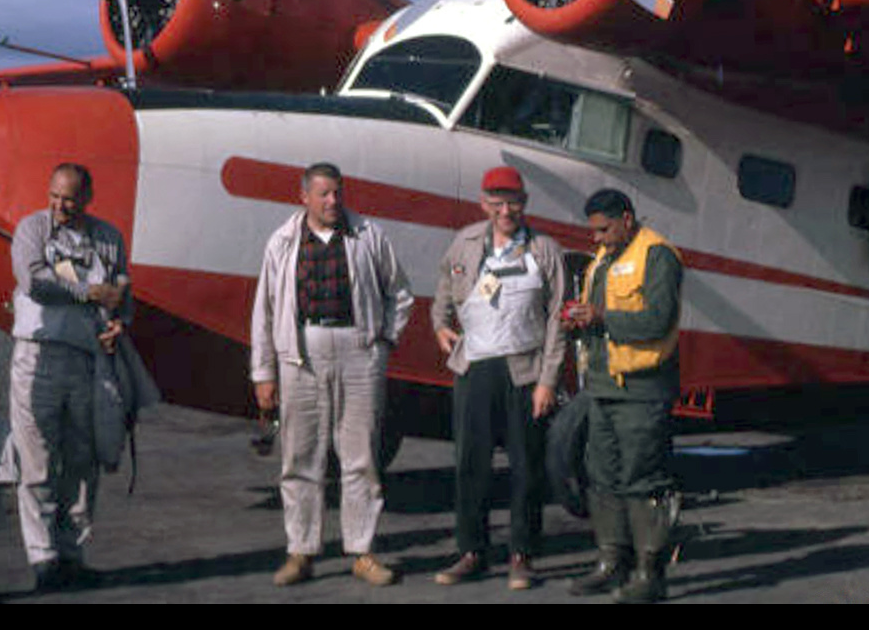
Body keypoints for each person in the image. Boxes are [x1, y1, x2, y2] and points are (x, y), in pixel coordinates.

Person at [250, 162, 414, 588]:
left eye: (338, 193)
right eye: (323, 194)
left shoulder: (368, 236)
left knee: (361, 458)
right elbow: (264, 312)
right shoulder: (282, 243)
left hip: (358, 351)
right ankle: (300, 552)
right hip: (300, 352)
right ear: (303, 196)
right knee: (300, 458)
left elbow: (400, 293)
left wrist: (383, 343)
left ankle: (361, 551)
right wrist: (263, 372)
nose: (333, 202)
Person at [431, 166, 567, 590]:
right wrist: (439, 324)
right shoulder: (465, 242)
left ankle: (522, 555)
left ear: (524, 203)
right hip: (474, 369)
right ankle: (471, 551)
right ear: (483, 203)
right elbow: (441, 289)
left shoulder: (544, 250)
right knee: (471, 464)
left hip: (524, 372)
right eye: (497, 202)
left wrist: (548, 381)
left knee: (526, 467)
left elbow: (558, 321)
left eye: (514, 202)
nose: (506, 210)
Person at [10, 163, 130, 591]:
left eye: (70, 199)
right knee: (38, 459)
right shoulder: (32, 230)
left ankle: (73, 555)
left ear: (87, 198)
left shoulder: (108, 238)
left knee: (83, 460)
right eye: (55, 196)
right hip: (37, 357)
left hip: (87, 359)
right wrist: (89, 292)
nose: (60, 205)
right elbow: (35, 282)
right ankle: (44, 560)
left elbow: (120, 293)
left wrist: (119, 322)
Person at [567, 188, 683, 604]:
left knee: (643, 480)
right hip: (602, 387)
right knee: (602, 476)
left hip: (642, 389)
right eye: (593, 230)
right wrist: (580, 321)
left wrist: (600, 316)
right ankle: (610, 561)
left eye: (603, 229)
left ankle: (649, 574)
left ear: (627, 219)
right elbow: (604, 317)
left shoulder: (658, 256)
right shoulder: (605, 258)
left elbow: (658, 320)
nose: (595, 238)